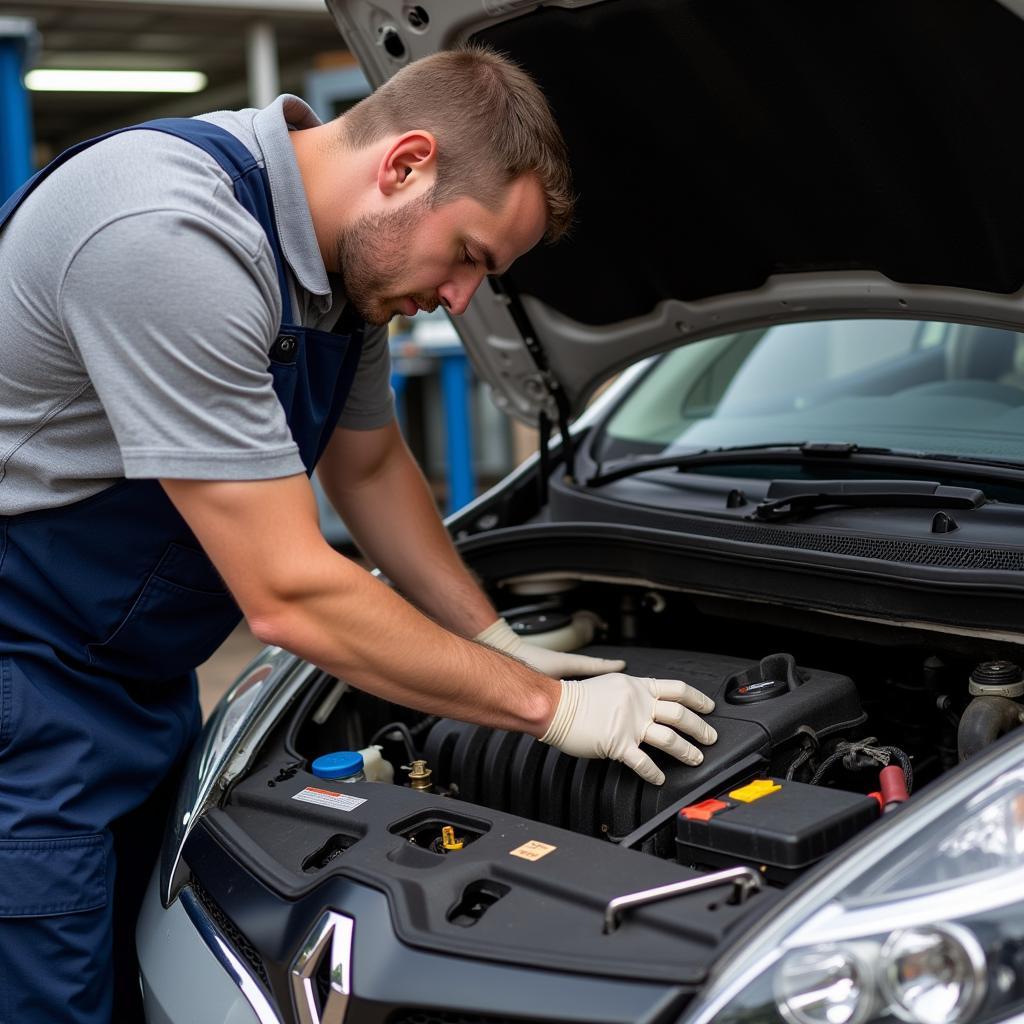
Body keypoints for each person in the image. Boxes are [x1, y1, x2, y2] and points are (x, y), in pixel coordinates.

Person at [0, 46, 717, 1024]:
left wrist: (489, 638)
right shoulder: (167, 236)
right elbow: (289, 592)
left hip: (131, 674)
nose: (463, 299)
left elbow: (370, 466)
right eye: (468, 255)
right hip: (25, 679)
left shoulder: (345, 266)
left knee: (138, 972)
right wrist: (547, 706)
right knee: (43, 994)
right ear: (406, 163)